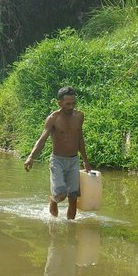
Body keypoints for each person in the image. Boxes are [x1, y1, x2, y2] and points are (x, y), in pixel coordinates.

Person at [24, 86, 91, 219]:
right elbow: (42, 140)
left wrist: (85, 160)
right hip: (57, 161)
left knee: (73, 197)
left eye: (73, 103)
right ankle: (53, 201)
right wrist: (31, 157)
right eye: (67, 104)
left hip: (73, 161)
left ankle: (70, 228)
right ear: (59, 103)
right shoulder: (53, 118)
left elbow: (80, 139)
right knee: (61, 195)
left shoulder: (79, 116)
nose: (71, 106)